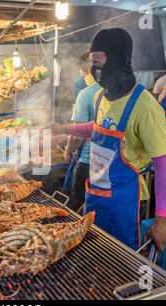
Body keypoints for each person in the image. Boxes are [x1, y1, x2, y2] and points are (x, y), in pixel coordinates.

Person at [46, 28, 166, 253]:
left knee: (121, 262)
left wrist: (161, 220)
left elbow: (164, 166)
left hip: (126, 203)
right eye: (92, 63)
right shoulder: (99, 97)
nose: (94, 69)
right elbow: (97, 129)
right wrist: (66, 128)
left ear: (117, 60)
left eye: (98, 62)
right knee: (92, 259)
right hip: (96, 196)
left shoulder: (146, 106)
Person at [62, 53, 102, 212]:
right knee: (97, 209)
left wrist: (68, 150)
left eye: (81, 72)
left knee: (77, 209)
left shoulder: (85, 94)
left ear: (87, 70)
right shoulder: (113, 92)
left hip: (87, 161)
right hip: (107, 164)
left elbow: (77, 135)